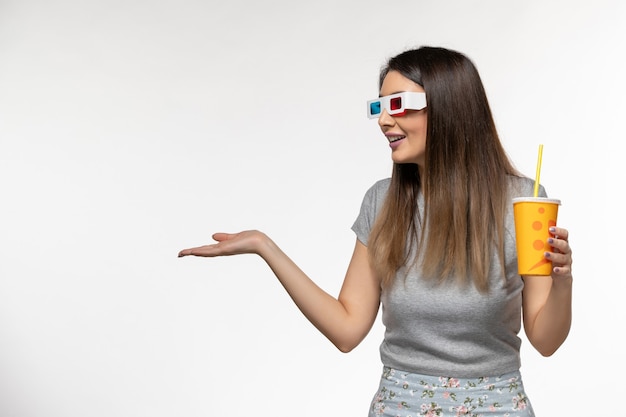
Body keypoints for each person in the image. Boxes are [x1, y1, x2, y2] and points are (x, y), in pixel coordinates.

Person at [178, 46, 573, 416]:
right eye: (380, 107)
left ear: (450, 108)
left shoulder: (524, 203)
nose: (385, 120)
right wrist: (265, 247)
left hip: (497, 405)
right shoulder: (382, 202)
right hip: (398, 405)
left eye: (399, 105)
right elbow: (347, 329)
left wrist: (563, 281)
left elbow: (546, 339)